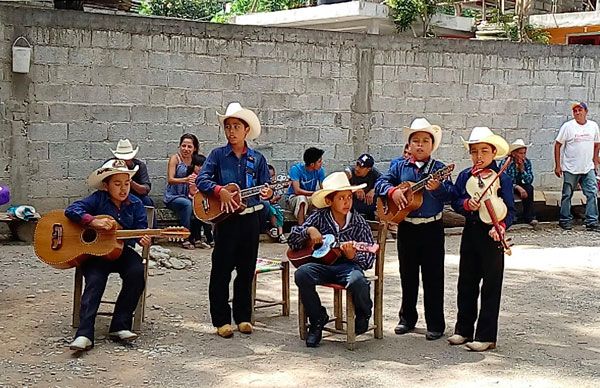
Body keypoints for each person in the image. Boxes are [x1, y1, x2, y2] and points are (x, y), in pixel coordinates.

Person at [196, 102, 272, 338]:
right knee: (221, 270)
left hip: (250, 220)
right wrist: (220, 191)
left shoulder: (257, 159)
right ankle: (221, 319)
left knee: (246, 270)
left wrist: (269, 193)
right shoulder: (217, 155)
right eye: (228, 126)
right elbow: (201, 181)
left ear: (246, 129)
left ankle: (243, 317)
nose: (231, 131)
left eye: (236, 126)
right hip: (226, 221)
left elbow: (264, 189)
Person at [375, 118, 453, 341]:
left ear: (432, 145)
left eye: (425, 141)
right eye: (415, 141)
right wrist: (392, 192)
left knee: (433, 277)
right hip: (407, 228)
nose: (420, 145)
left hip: (432, 228)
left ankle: (436, 324)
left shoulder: (439, 169)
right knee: (407, 275)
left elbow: (450, 195)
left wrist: (437, 189)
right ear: (409, 145)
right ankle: (407, 319)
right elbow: (381, 183)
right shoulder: (399, 166)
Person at [65, 159, 151, 352]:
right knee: (95, 280)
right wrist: (92, 221)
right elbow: (71, 210)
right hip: (96, 254)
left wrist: (143, 239)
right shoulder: (97, 199)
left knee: (137, 273)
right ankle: (84, 334)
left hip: (122, 251)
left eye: (127, 184)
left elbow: (140, 230)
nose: (123, 189)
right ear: (106, 185)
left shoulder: (136, 204)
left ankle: (120, 325)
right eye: (117, 184)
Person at [448, 126, 515, 352]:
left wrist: (502, 227)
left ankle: (486, 335)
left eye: (484, 151)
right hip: (471, 231)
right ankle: (463, 329)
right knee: (466, 281)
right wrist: (466, 205)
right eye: (474, 151)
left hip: (491, 234)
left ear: (493, 152)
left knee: (491, 286)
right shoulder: (465, 176)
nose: (479, 156)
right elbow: (457, 200)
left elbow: (510, 209)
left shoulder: (502, 178)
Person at [290, 172, 376, 348]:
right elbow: (292, 239)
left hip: (348, 266)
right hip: (322, 266)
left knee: (358, 281)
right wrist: (309, 231)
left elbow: (369, 260)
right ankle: (317, 319)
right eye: (341, 198)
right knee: (302, 274)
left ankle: (363, 313)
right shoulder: (319, 217)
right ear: (329, 201)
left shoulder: (359, 223)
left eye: (349, 197)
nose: (347, 202)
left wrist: (354, 255)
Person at [554, 102, 600, 231]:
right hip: (570, 167)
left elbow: (597, 144)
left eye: (580, 110)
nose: (577, 113)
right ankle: (564, 219)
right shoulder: (568, 127)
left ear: (586, 111)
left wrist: (595, 160)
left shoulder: (593, 126)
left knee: (592, 193)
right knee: (567, 194)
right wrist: (558, 165)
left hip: (587, 167)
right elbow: (558, 145)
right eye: (575, 111)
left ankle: (592, 220)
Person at [164, 133, 200, 249]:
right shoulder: (175, 159)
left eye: (189, 147)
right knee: (187, 205)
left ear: (194, 148)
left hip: (190, 194)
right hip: (174, 196)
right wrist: (185, 180)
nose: (186, 149)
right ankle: (185, 237)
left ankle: (199, 238)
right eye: (183, 146)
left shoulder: (196, 160)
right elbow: (170, 179)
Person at [500, 139, 538, 227]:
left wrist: (522, 170)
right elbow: (504, 180)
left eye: (524, 153)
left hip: (519, 183)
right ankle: (511, 216)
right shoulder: (506, 163)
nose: (523, 156)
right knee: (507, 191)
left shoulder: (526, 162)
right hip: (508, 186)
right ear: (514, 154)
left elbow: (529, 180)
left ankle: (529, 216)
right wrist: (516, 187)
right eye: (521, 153)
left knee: (529, 188)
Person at [287, 147, 326, 225]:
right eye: (319, 161)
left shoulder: (320, 170)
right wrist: (314, 193)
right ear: (312, 164)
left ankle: (316, 227)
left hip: (309, 197)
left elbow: (323, 189)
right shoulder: (296, 169)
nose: (321, 163)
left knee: (321, 200)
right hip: (294, 198)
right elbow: (297, 191)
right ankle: (301, 228)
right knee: (302, 199)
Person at [111, 139, 154, 207]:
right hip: (113, 194)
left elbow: (145, 190)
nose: (123, 161)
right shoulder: (110, 164)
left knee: (147, 202)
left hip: (135, 194)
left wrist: (129, 181)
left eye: (126, 158)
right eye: (121, 158)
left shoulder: (140, 166)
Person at [187, 154, 214, 249]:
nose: (200, 168)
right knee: (197, 220)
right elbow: (193, 191)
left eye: (202, 166)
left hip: (204, 202)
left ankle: (209, 239)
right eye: (197, 165)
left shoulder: (206, 177)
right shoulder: (192, 177)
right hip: (195, 202)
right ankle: (198, 239)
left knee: (206, 221)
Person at [344, 154, 381, 220]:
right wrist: (354, 188)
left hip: (368, 208)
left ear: (368, 169)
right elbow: (340, 183)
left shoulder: (374, 173)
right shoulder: (350, 172)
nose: (357, 168)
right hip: (351, 209)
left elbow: (384, 182)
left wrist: (374, 190)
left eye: (361, 167)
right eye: (357, 164)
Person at [265, 164, 287, 244]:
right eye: (270, 176)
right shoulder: (264, 187)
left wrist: (273, 199)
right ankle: (275, 227)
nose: (272, 178)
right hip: (268, 206)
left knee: (279, 213)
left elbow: (279, 195)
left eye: (273, 176)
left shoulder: (276, 185)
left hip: (275, 204)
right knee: (272, 211)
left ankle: (280, 233)